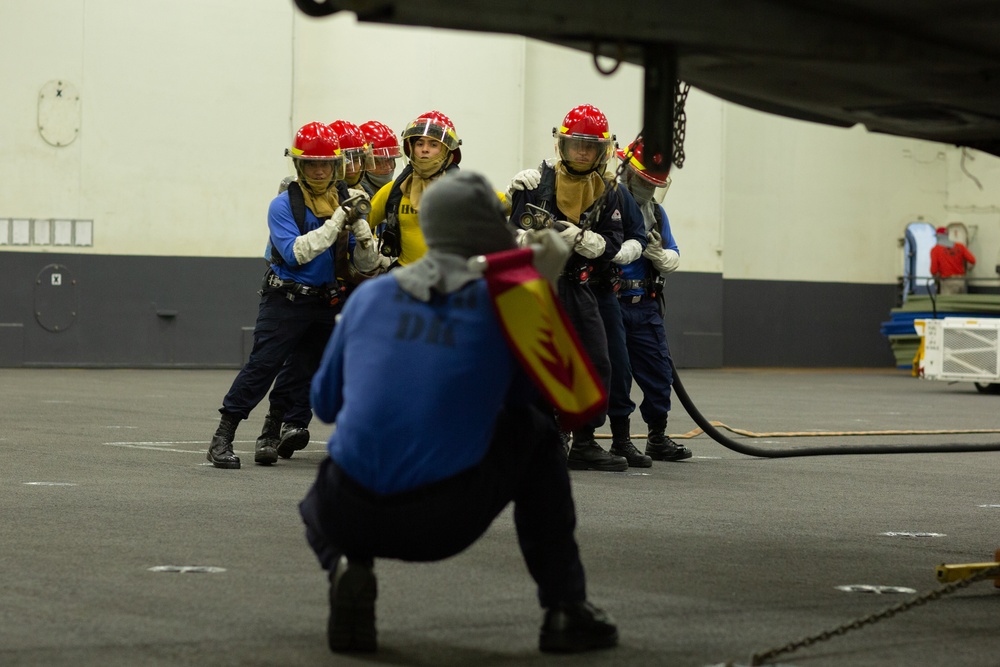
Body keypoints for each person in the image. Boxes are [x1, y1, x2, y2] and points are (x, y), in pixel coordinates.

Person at [299, 171, 619, 654]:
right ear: (489, 230)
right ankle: (565, 608)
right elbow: (572, 402)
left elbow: (324, 403)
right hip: (441, 520)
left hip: (347, 510)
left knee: (337, 471)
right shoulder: (507, 305)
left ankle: (346, 565)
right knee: (536, 433)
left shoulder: (370, 297)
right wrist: (539, 292)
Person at [206, 122, 376, 469]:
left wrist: (362, 229)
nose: (318, 170)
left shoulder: (347, 202)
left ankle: (272, 432)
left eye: (325, 164)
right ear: (298, 166)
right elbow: (299, 252)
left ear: (336, 166)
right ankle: (222, 436)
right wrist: (339, 219)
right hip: (285, 300)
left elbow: (366, 264)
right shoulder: (282, 206)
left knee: (308, 370)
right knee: (263, 366)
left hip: (326, 302)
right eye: (311, 163)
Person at [508, 104, 628, 472]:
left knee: (595, 362)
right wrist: (527, 235)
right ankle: (538, 437)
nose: (581, 152)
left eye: (590, 147)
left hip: (579, 287)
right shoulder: (533, 183)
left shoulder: (609, 191)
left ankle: (585, 441)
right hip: (537, 286)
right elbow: (508, 233)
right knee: (534, 362)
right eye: (575, 144)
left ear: (602, 151)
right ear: (561, 144)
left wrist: (582, 238)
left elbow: (612, 246)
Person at [611, 139, 692, 461]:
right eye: (644, 181)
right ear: (628, 174)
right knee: (615, 376)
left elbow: (673, 255)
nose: (647, 188)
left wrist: (658, 253)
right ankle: (617, 440)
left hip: (644, 305)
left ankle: (657, 436)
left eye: (653, 184)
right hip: (610, 303)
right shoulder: (606, 205)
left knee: (660, 374)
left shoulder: (656, 213)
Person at [358, 120, 402, 194]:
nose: (388, 167)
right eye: (378, 162)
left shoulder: (399, 191)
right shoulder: (352, 195)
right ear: (362, 164)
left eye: (390, 160)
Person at [930, 225, 976, 295]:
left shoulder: (935, 250)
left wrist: (937, 278)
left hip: (947, 281)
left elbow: (934, 270)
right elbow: (972, 260)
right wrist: (968, 269)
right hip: (961, 281)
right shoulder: (960, 246)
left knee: (948, 304)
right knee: (960, 303)